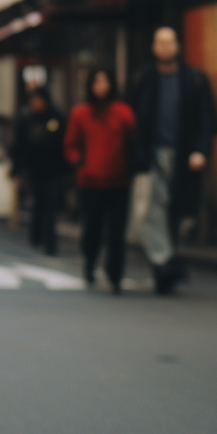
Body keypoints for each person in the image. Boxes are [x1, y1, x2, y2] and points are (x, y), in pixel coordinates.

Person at [131, 26, 217, 295]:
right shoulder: (144, 79)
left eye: (170, 42)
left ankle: (168, 261)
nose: (165, 47)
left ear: (178, 46)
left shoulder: (194, 79)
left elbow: (208, 119)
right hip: (153, 155)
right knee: (152, 212)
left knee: (183, 213)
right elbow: (133, 120)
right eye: (160, 42)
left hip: (185, 156)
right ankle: (164, 262)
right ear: (154, 47)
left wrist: (201, 151)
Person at [63, 68, 136, 293]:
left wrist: (132, 166)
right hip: (89, 182)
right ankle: (90, 263)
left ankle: (115, 275)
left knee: (116, 232)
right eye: (97, 81)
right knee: (92, 229)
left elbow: (133, 144)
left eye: (105, 81)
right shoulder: (80, 113)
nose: (101, 86)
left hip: (119, 182)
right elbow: (70, 144)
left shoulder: (124, 113)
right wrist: (78, 161)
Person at [10, 86, 67, 254]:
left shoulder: (56, 117)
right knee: (38, 203)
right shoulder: (26, 119)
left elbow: (63, 143)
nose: (36, 103)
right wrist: (17, 167)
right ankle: (36, 237)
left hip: (53, 170)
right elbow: (19, 145)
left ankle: (50, 243)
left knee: (50, 206)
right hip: (34, 170)